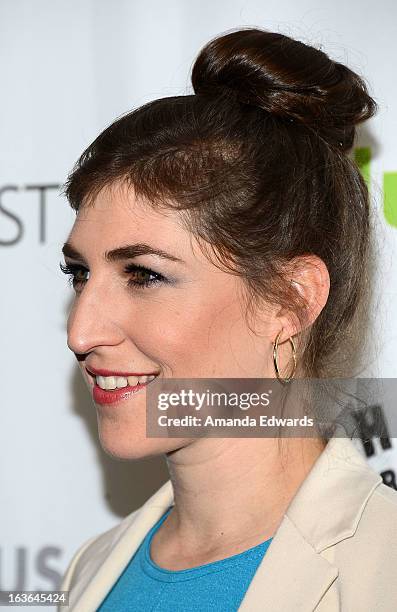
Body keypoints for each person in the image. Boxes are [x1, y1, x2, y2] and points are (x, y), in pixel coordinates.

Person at [58, 27, 397, 611]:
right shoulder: (90, 571)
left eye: (144, 275)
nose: (81, 333)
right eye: (79, 274)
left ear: (290, 300)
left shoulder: (381, 570)